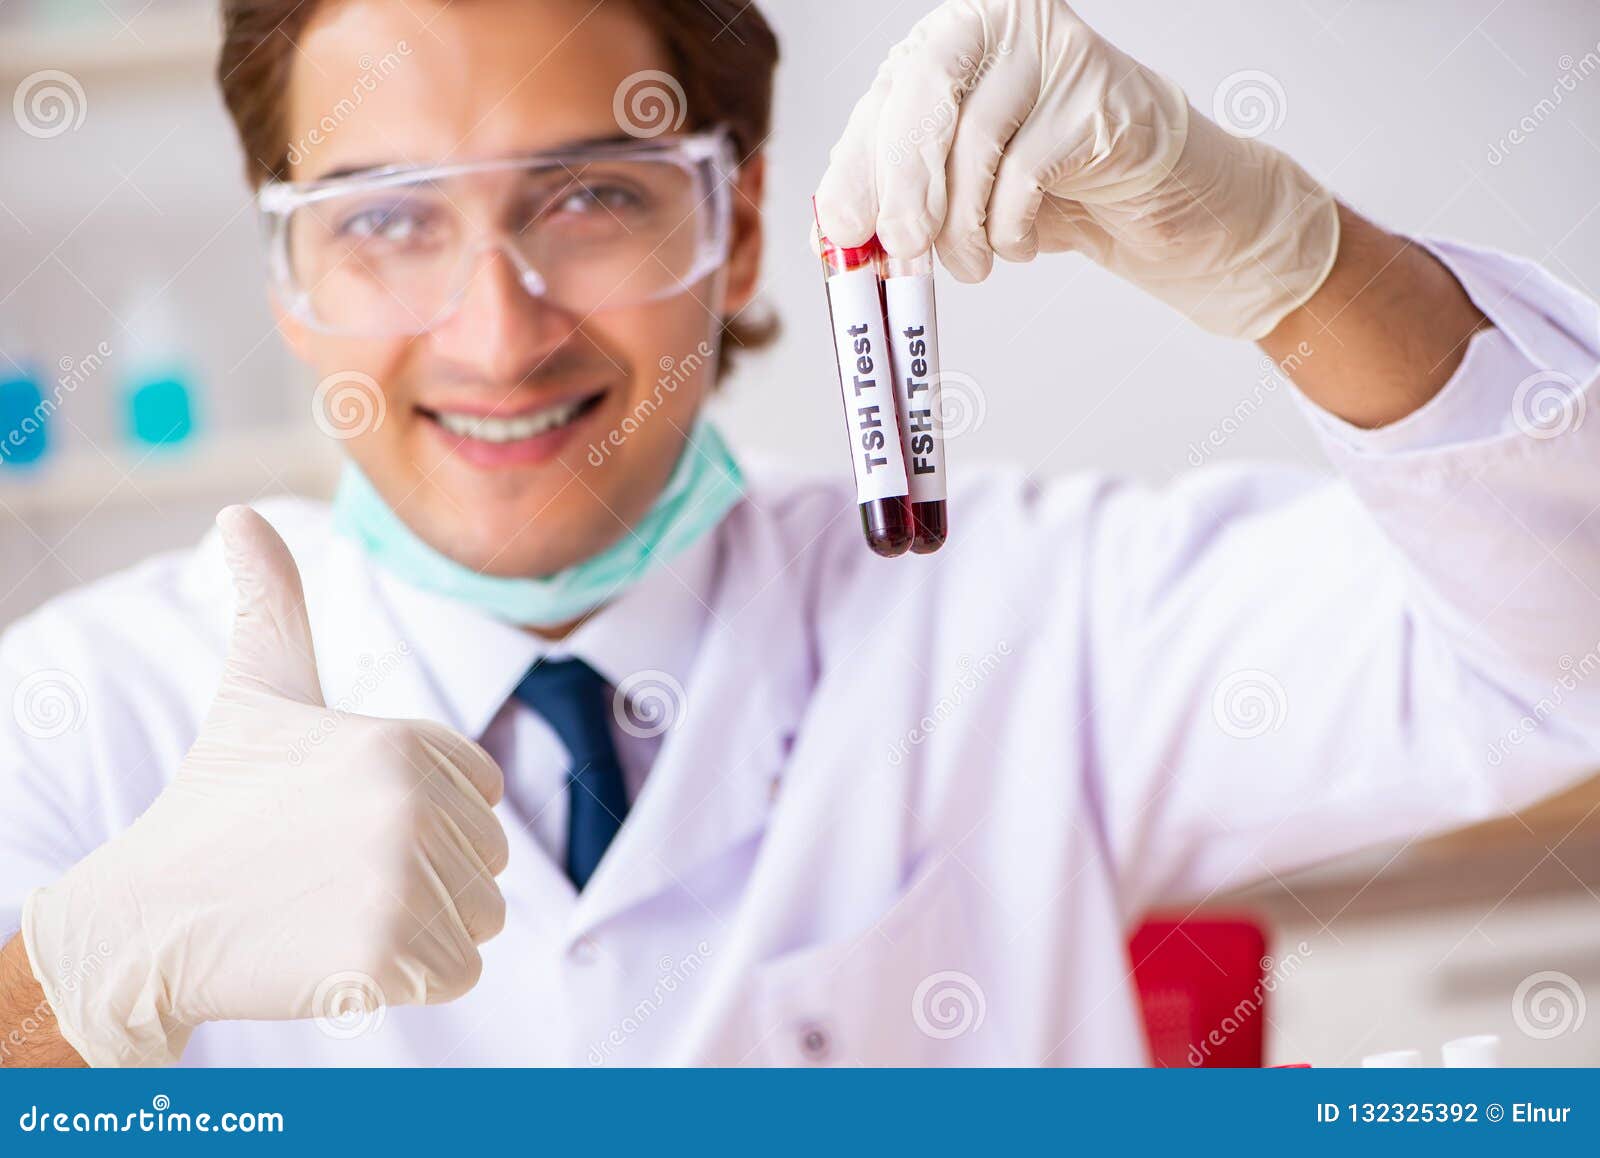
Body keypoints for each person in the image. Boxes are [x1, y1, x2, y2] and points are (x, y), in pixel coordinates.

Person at [1, 0, 1596, 1067]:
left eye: (592, 196)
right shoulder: (89, 706)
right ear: (292, 275)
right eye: (387, 218)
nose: (496, 333)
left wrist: (1293, 262)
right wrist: (78, 978)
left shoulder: (1038, 614)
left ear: (741, 223)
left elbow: (1561, 651)